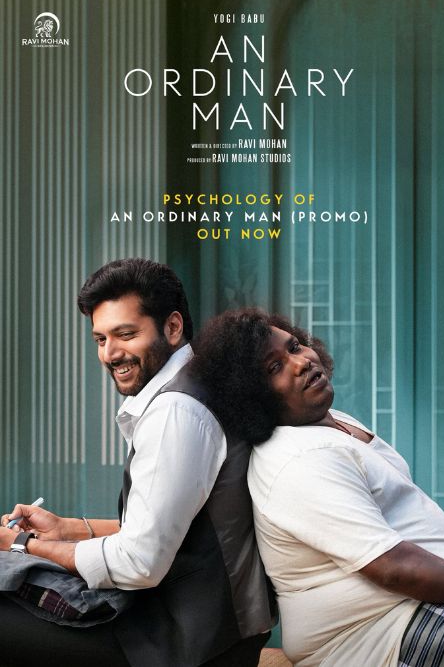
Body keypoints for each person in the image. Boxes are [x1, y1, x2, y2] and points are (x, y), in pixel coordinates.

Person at [0, 258, 275, 666]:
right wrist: (68, 529)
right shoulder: (198, 387)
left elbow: (139, 563)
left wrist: (26, 545)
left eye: (125, 335)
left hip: (179, 642)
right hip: (203, 628)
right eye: (99, 339)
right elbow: (171, 528)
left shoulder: (177, 413)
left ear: (173, 327)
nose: (110, 354)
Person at [189, 309, 444, 667]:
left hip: (419, 612)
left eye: (295, 346)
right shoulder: (297, 458)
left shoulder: (331, 422)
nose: (300, 363)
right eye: (274, 368)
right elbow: (392, 568)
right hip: (386, 633)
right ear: (251, 396)